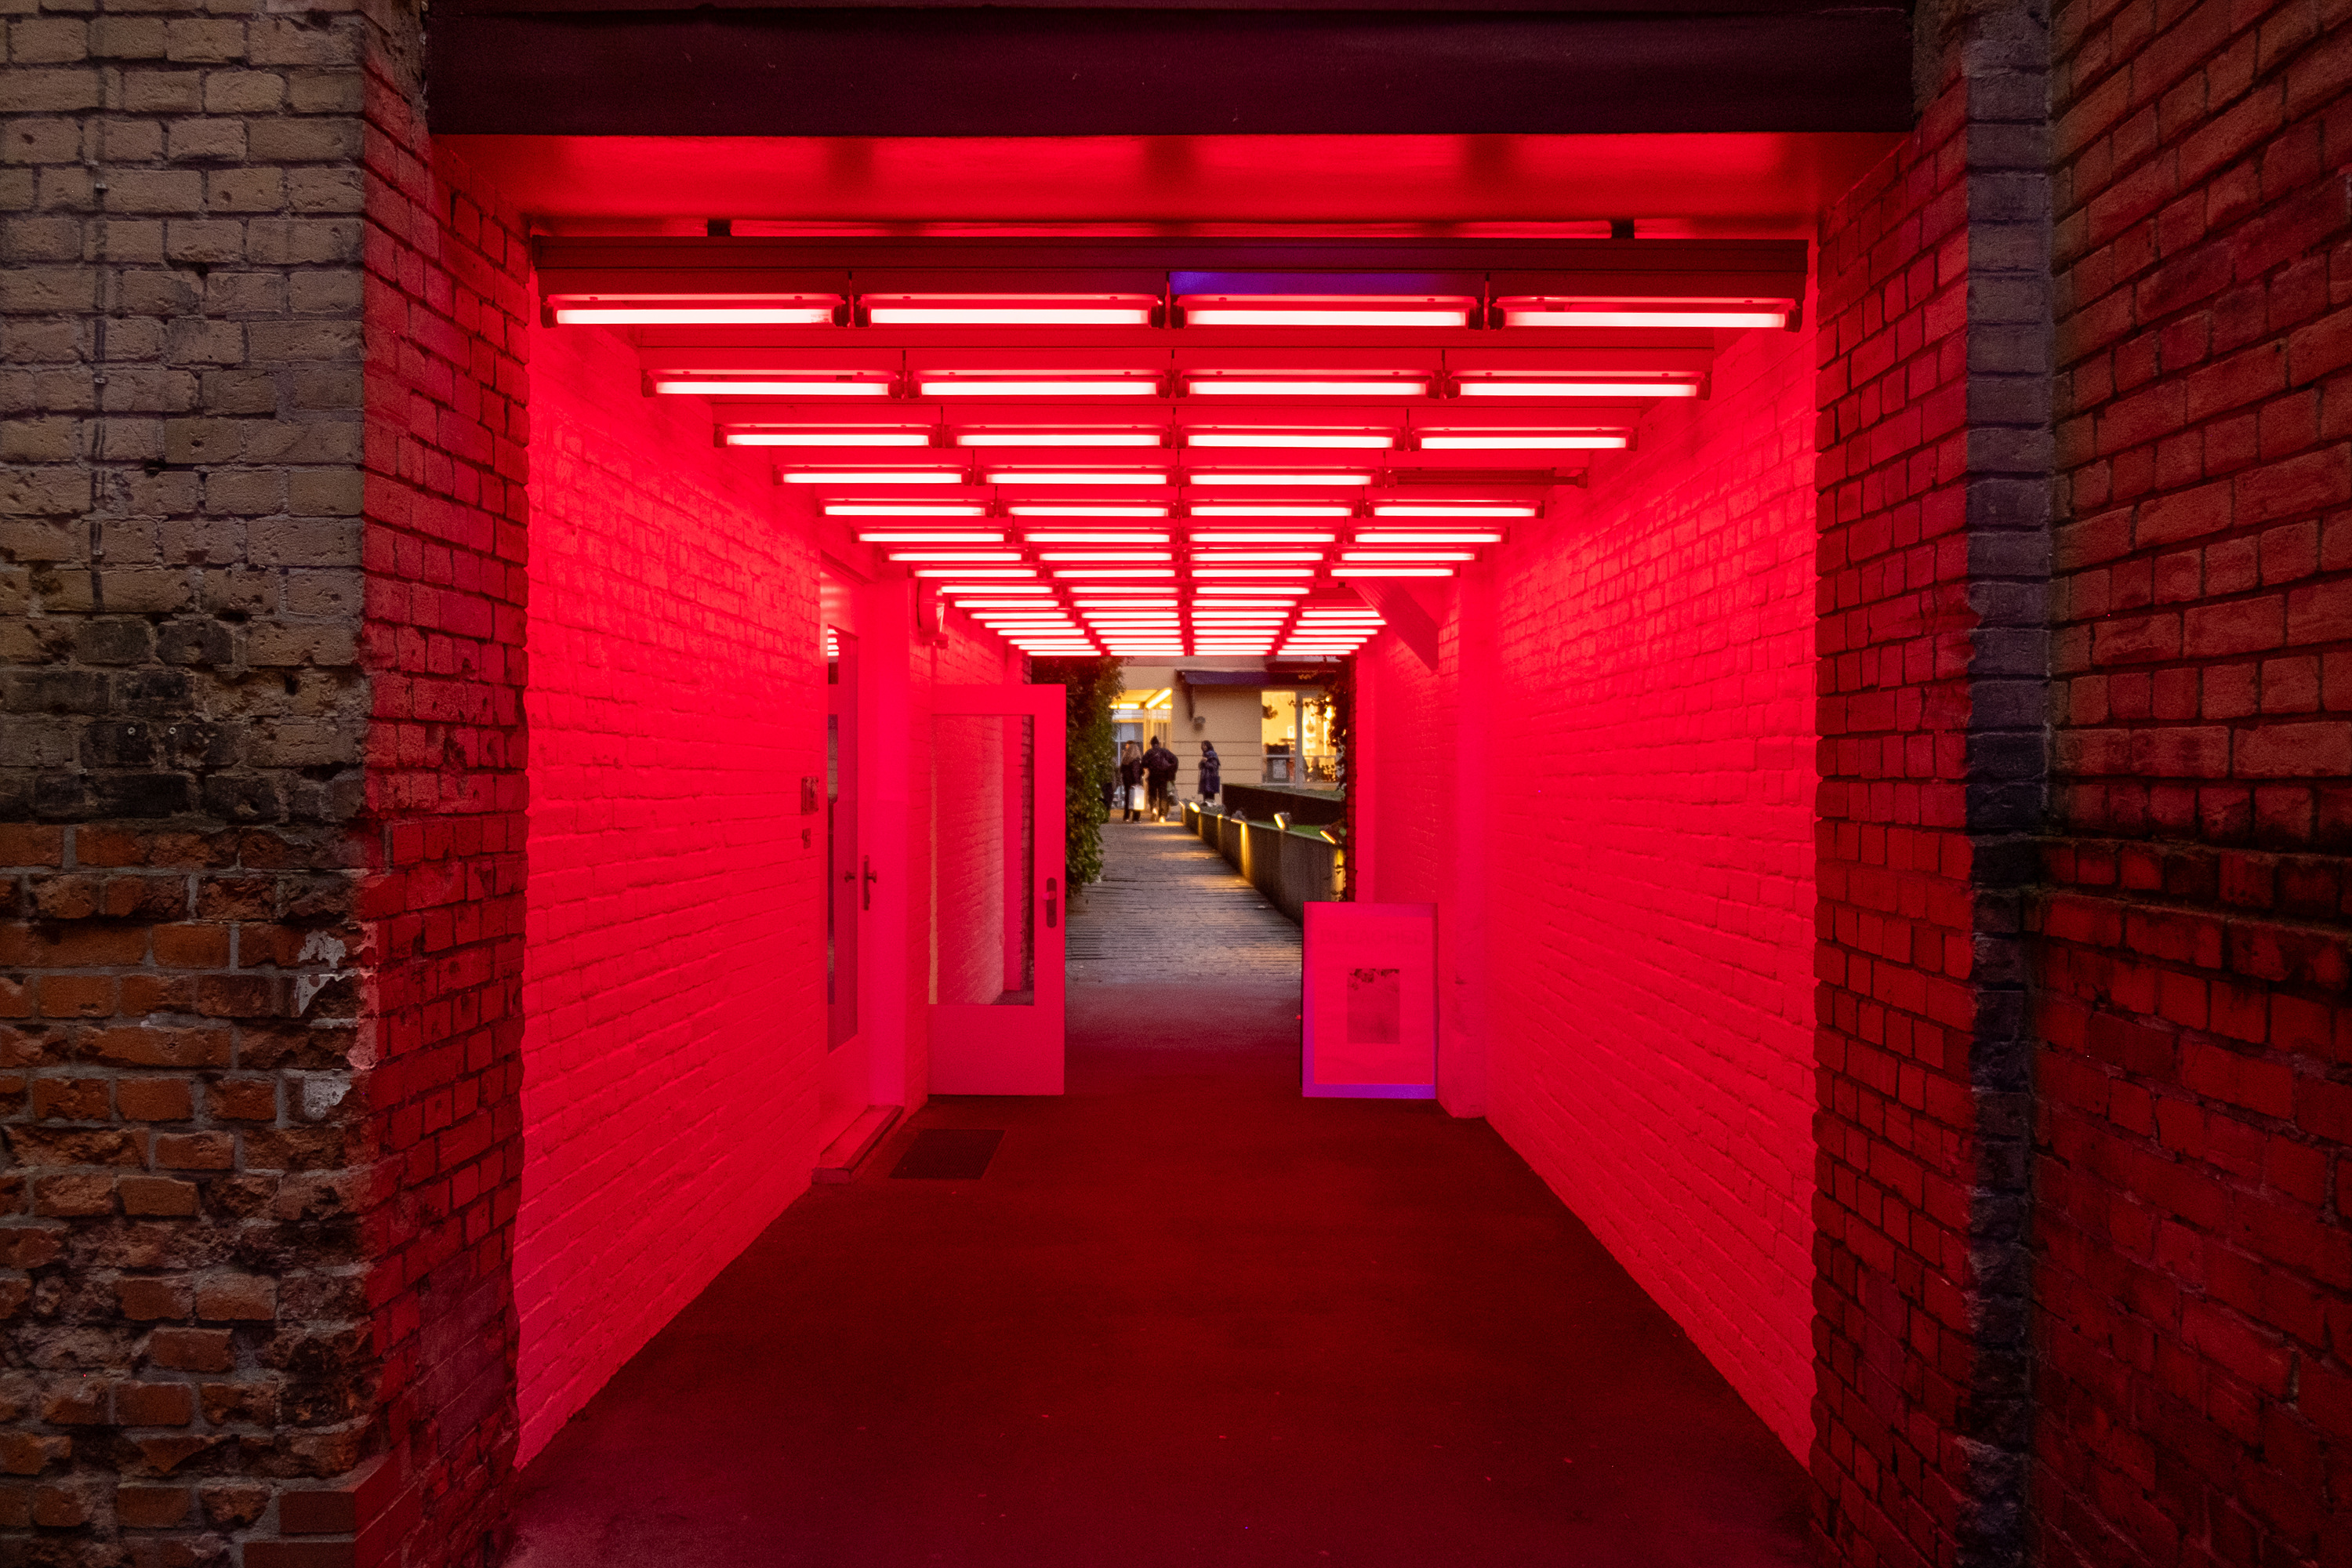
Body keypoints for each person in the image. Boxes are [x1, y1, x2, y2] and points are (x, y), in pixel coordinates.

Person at [1142, 738, 1178, 822]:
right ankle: (1162, 814)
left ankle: (1154, 809)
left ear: (1151, 744)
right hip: (1163, 776)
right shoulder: (1165, 752)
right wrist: (1170, 772)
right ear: (1159, 744)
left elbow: (1143, 764)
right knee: (1163, 795)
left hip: (1153, 776)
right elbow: (1175, 760)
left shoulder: (1149, 752)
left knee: (1152, 794)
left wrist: (1150, 766)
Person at [1117, 741, 1145, 822]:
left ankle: (1126, 816)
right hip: (1134, 782)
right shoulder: (1136, 761)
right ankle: (1136, 818)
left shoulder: (1125, 760)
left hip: (1126, 781)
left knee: (1128, 797)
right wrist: (1137, 783)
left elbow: (1121, 770)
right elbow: (1135, 772)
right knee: (1137, 798)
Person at [1197, 740, 1221, 805]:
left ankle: (1210, 804)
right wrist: (1202, 762)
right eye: (1202, 745)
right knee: (1205, 794)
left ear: (1208, 745)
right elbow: (1200, 767)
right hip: (1204, 778)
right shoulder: (1204, 755)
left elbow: (1214, 766)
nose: (1203, 747)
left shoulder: (1213, 755)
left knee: (1210, 793)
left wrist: (1206, 762)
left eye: (1205, 745)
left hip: (1210, 778)